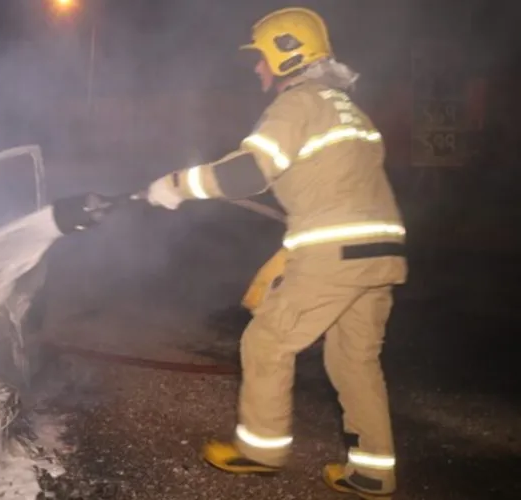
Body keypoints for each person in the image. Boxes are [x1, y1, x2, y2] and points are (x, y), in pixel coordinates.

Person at [144, 7, 406, 499]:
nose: (257, 67)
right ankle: (374, 471)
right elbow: (338, 189)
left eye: (262, 57)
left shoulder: (297, 104)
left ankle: (260, 451)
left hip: (336, 252)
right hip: (381, 251)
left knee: (266, 342)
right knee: (354, 361)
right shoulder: (350, 111)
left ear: (289, 56)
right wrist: (290, 252)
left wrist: (176, 186)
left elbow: (249, 172)